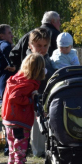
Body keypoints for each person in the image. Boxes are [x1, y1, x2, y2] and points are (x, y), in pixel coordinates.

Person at [1, 53, 46, 164]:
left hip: (9, 122)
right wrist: (29, 100)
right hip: (19, 124)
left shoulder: (14, 79)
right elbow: (15, 97)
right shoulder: (27, 84)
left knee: (13, 156)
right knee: (20, 157)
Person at [28, 27, 55, 157]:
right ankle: (38, 151)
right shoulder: (30, 60)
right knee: (37, 126)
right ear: (31, 45)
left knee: (47, 124)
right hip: (34, 97)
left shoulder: (47, 59)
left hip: (47, 96)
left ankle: (47, 148)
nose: (42, 49)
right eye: (39, 45)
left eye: (45, 45)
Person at [0, 24, 16, 111]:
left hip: (2, 85)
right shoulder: (3, 44)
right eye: (9, 33)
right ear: (2, 35)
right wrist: (13, 65)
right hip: (8, 85)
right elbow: (5, 47)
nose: (12, 36)